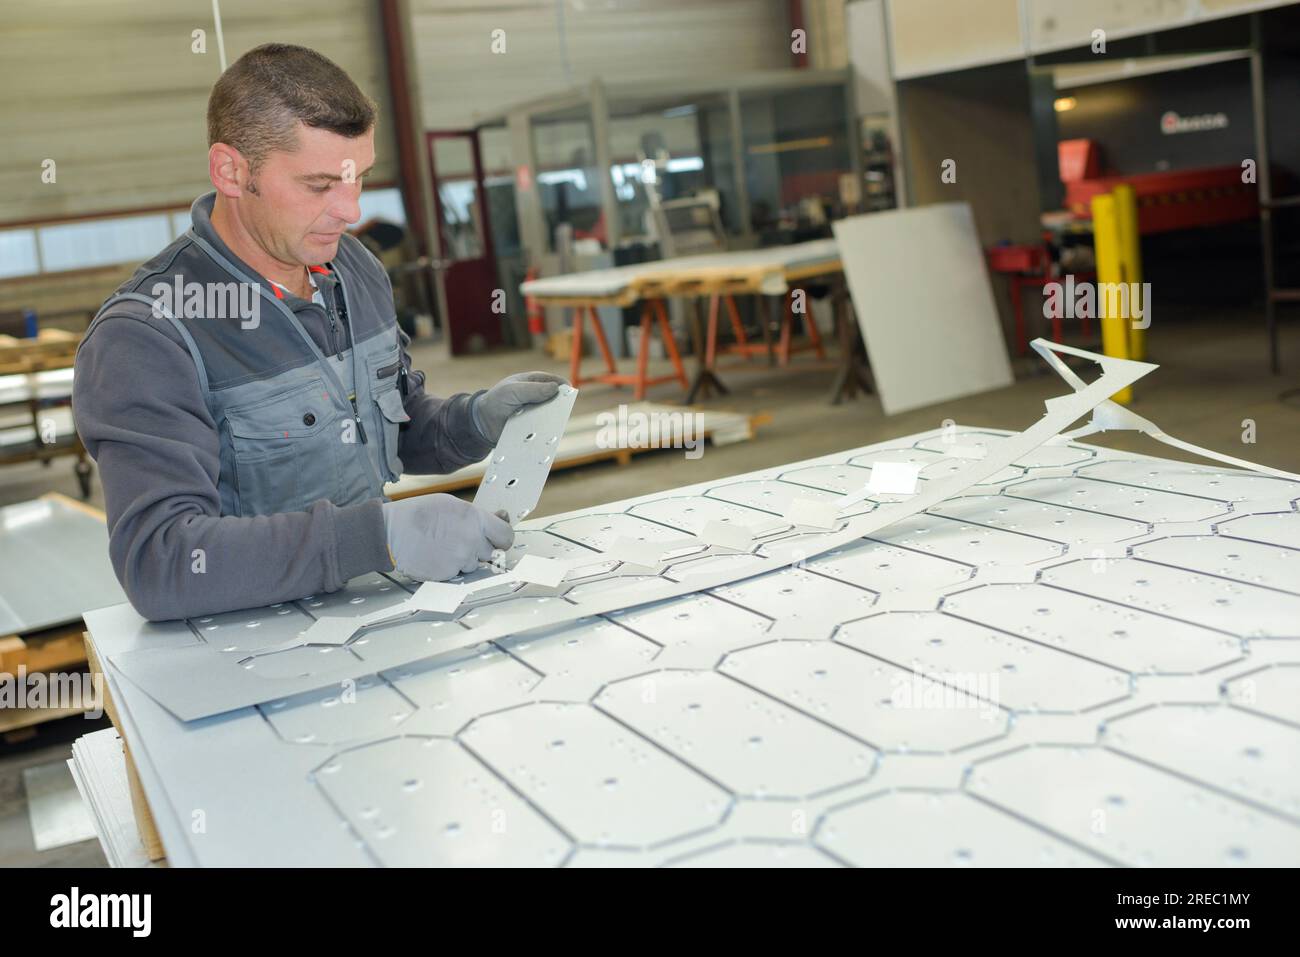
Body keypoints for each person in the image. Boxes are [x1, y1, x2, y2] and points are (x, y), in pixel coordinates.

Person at [73, 43, 565, 622]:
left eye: (359, 180)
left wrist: (474, 421)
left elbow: (388, 425)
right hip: (242, 656)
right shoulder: (149, 334)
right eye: (319, 185)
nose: (350, 210)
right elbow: (162, 563)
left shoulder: (354, 270)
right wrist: (374, 538)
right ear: (232, 171)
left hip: (373, 620)